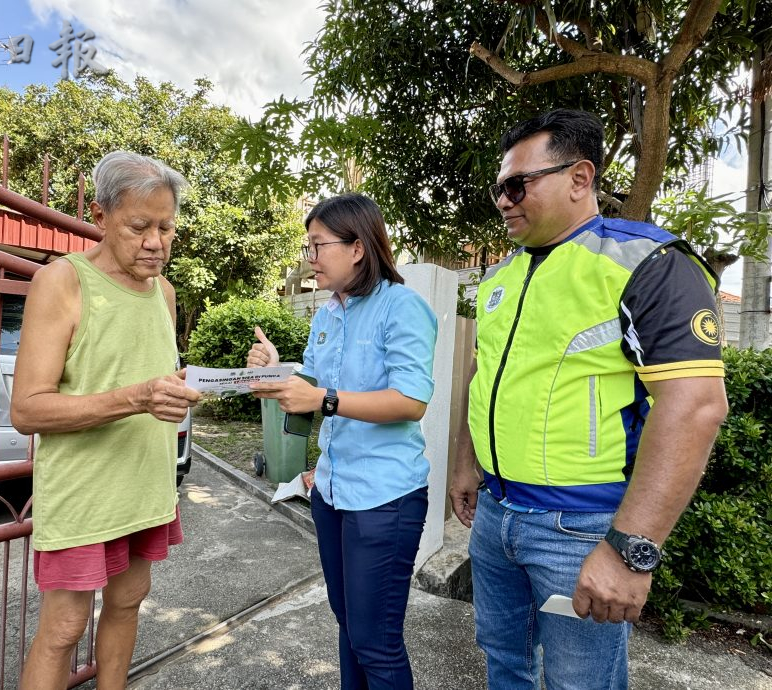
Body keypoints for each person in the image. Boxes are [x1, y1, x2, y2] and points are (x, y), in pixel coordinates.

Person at [449, 109, 729, 689]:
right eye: (498, 187)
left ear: (580, 177)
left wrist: (629, 550)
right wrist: (463, 464)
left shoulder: (648, 263)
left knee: (581, 684)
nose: (503, 200)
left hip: (579, 528)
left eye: (517, 184)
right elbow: (485, 375)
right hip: (496, 513)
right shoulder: (499, 278)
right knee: (503, 663)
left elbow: (695, 405)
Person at [11, 151, 200, 690]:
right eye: (139, 227)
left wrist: (215, 381)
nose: (155, 242)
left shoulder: (163, 292)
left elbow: (154, 376)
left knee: (127, 604)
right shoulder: (64, 282)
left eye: (166, 227)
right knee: (64, 628)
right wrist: (137, 398)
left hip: (145, 486)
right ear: (100, 217)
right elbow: (27, 408)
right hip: (84, 493)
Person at [246, 193, 437, 690]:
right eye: (308, 246)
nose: (311, 259)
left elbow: (410, 400)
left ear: (357, 247)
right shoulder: (329, 313)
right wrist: (275, 371)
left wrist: (324, 399)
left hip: (386, 497)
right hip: (331, 491)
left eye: (318, 246)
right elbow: (311, 383)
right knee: (349, 626)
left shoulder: (404, 308)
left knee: (376, 639)